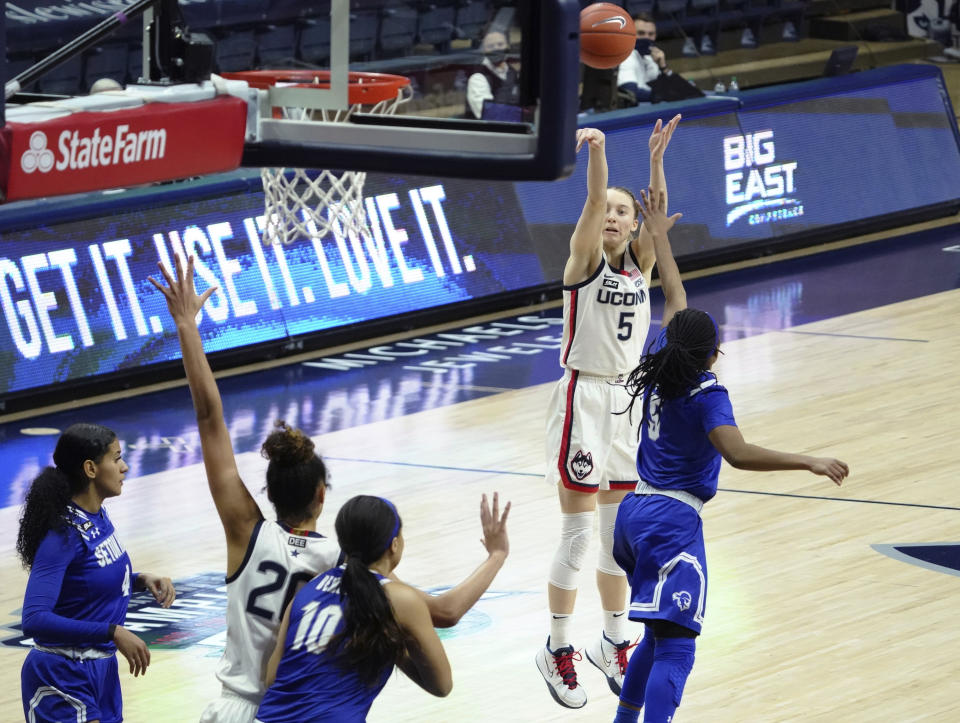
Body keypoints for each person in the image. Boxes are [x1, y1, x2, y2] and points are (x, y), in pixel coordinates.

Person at [149, 254, 511, 723]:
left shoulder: (247, 534)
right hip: (301, 707)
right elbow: (442, 613)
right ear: (323, 495)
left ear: (271, 489)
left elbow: (209, 419)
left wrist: (186, 326)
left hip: (234, 708)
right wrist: (496, 555)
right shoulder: (348, 564)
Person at [611, 188, 850, 723]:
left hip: (633, 513)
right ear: (711, 353)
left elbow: (674, 294)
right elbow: (736, 454)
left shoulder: (659, 359)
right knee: (678, 647)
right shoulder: (705, 390)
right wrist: (806, 460)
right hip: (672, 520)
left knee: (658, 633)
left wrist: (660, 238)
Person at [536, 116, 681, 710]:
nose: (618, 217)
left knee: (616, 535)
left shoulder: (638, 267)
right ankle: (557, 646)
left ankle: (613, 640)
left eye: (626, 212)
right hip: (582, 399)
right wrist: (598, 149)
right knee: (576, 532)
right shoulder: (582, 263)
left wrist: (653, 161)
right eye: (612, 213)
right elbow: (594, 199)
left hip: (625, 401)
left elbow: (659, 212)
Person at [17, 423, 176, 723]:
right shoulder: (61, 536)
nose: (124, 467)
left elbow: (89, 577)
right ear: (91, 468)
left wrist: (140, 580)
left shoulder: (98, 515)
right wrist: (112, 631)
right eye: (116, 458)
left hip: (100, 669)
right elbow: (34, 619)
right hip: (61, 674)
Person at [255, 494, 457, 721]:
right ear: (395, 544)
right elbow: (442, 685)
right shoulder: (400, 599)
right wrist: (497, 555)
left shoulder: (309, 589)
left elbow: (273, 676)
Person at [465, 28, 519, 119]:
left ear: (508, 45)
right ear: (483, 49)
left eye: (500, 44)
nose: (496, 48)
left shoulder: (512, 71)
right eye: (490, 46)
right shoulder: (477, 78)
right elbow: (491, 116)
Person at [617, 14, 667, 104]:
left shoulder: (651, 56)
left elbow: (663, 86)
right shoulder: (626, 56)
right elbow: (630, 93)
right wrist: (662, 95)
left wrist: (663, 66)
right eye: (641, 33)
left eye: (651, 34)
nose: (646, 38)